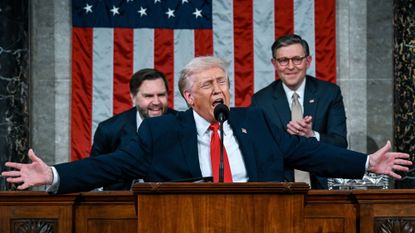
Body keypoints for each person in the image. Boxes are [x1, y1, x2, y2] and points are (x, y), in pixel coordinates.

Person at [1, 56, 411, 194]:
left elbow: (310, 153)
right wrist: (53, 174)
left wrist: (364, 164)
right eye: (209, 84)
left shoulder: (257, 121)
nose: (220, 89)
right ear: (188, 96)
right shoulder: (161, 132)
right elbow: (109, 166)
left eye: (224, 82)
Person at [251, 34, 346, 189]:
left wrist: (311, 135)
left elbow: (340, 143)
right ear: (274, 63)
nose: (290, 66)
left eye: (297, 59)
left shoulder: (329, 94)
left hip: (323, 188)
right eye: (283, 61)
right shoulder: (261, 101)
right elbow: (258, 151)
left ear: (308, 61)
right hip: (279, 189)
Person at [90, 68, 176, 190]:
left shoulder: (182, 125)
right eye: (148, 96)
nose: (156, 102)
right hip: (121, 202)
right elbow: (95, 172)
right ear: (133, 97)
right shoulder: (109, 130)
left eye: (161, 95)